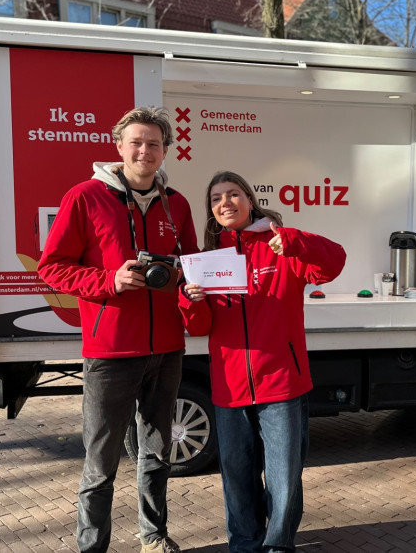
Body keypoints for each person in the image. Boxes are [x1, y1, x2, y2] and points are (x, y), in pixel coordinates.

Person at [37, 106, 198, 553]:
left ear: (165, 149)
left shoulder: (177, 204)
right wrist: (109, 281)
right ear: (119, 147)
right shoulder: (85, 197)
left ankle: (153, 535)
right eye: (137, 142)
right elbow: (52, 268)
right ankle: (92, 548)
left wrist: (193, 285)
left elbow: (189, 267)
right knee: (101, 462)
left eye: (154, 143)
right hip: (109, 352)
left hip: (167, 348)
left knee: (158, 453)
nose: (145, 150)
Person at [180, 171, 346, 552]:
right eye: (217, 198)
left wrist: (292, 240)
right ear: (212, 210)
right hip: (230, 387)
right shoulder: (206, 261)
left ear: (249, 200)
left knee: (283, 477)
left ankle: (277, 544)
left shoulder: (282, 248)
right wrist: (191, 299)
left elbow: (333, 262)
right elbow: (200, 326)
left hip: (282, 383)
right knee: (237, 476)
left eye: (233, 194)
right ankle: (244, 543)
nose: (225, 202)